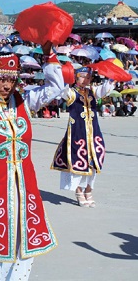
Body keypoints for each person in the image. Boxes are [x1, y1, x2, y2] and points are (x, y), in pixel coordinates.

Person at [0, 46, 61, 280]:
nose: (7, 85)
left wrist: (49, 54)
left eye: (12, 79)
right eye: (1, 79)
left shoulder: (23, 103)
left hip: (24, 190)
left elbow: (56, 87)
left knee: (22, 242)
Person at [51, 67, 116, 208]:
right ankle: (79, 191)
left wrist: (111, 77)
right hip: (77, 134)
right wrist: (65, 78)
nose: (86, 80)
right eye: (82, 77)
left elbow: (104, 90)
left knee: (94, 161)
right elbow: (62, 91)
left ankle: (89, 190)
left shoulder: (92, 91)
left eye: (88, 77)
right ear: (76, 77)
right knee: (77, 162)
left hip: (93, 134)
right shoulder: (71, 93)